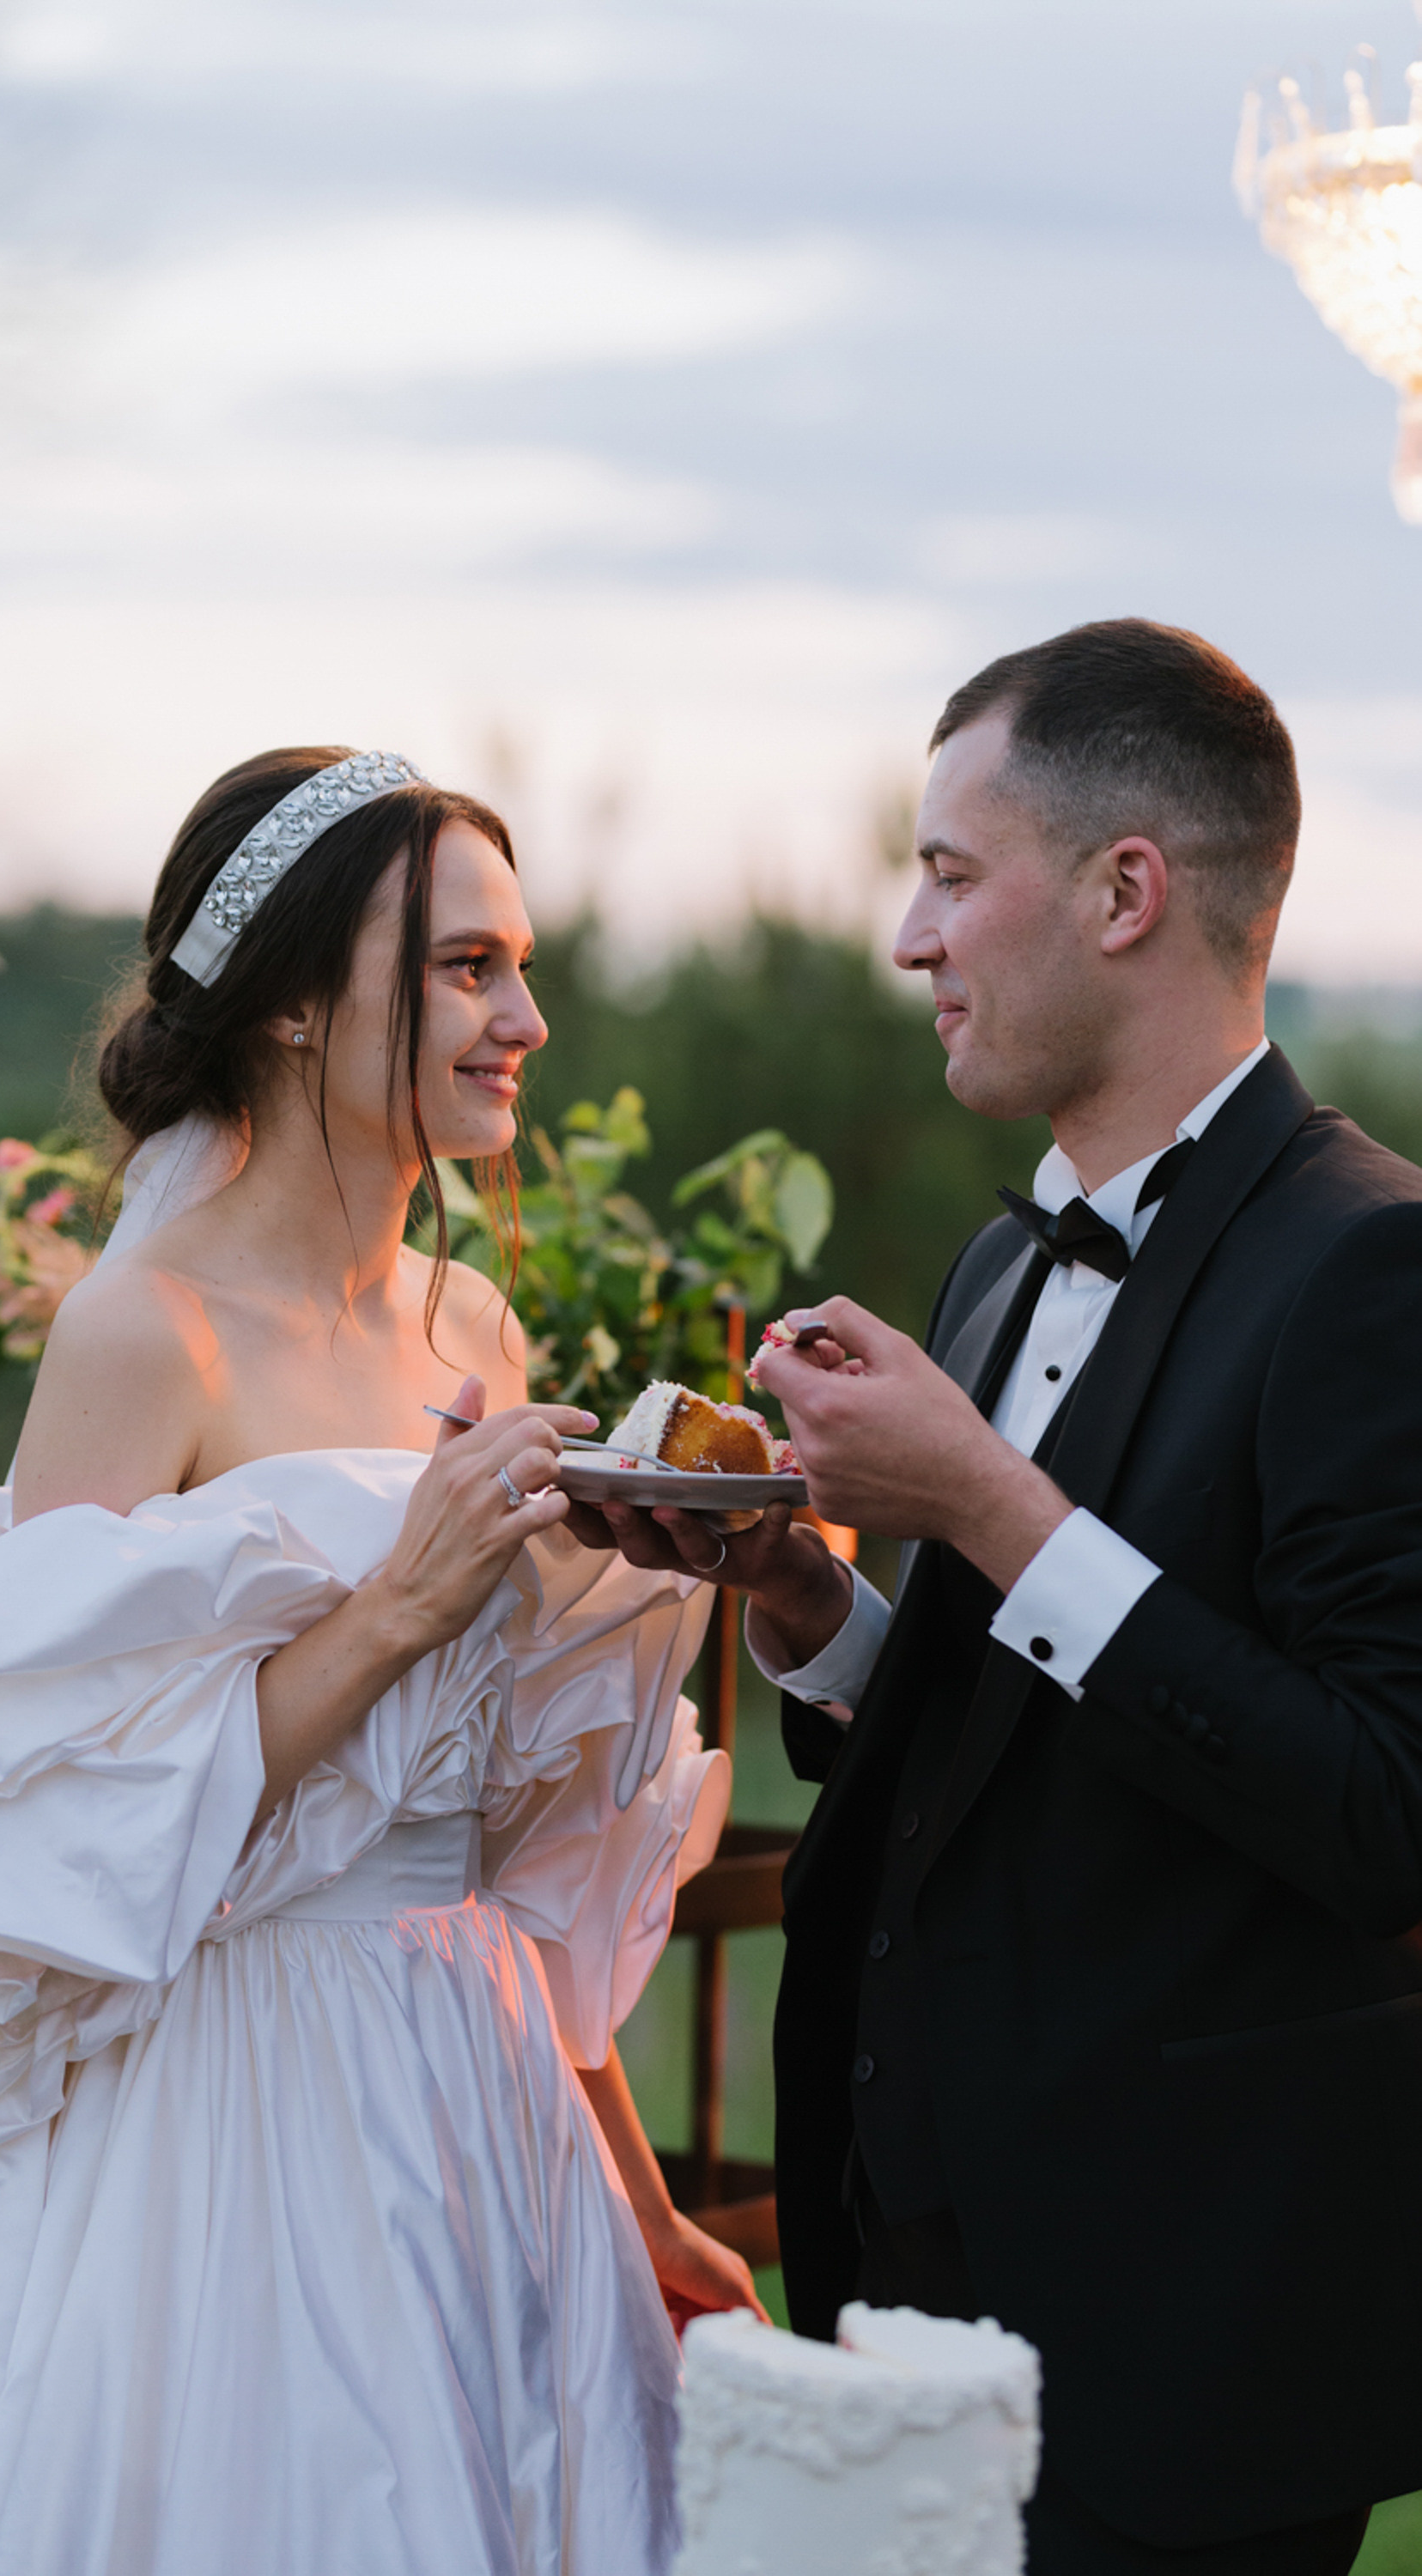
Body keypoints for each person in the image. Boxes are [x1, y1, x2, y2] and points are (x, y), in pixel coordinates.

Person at [0, 745, 762, 2576]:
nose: (521, 1016)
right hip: (240, 2098)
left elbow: (505, 1840)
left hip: (483, 2092)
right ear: (285, 1002)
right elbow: (56, 1834)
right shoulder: (147, 1333)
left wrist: (640, 2200)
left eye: (517, 965)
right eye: (461, 968)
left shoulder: (472, 1322)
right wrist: (394, 1606)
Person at [580, 623, 1422, 2575]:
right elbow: (1019, 1739)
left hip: (1182, 2325)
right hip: (913, 2263)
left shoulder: (1369, 1270)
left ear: (1125, 891)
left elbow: (1381, 1809)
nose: (906, 936)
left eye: (950, 874)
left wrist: (984, 1501)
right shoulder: (990, 1264)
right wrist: (806, 1590)